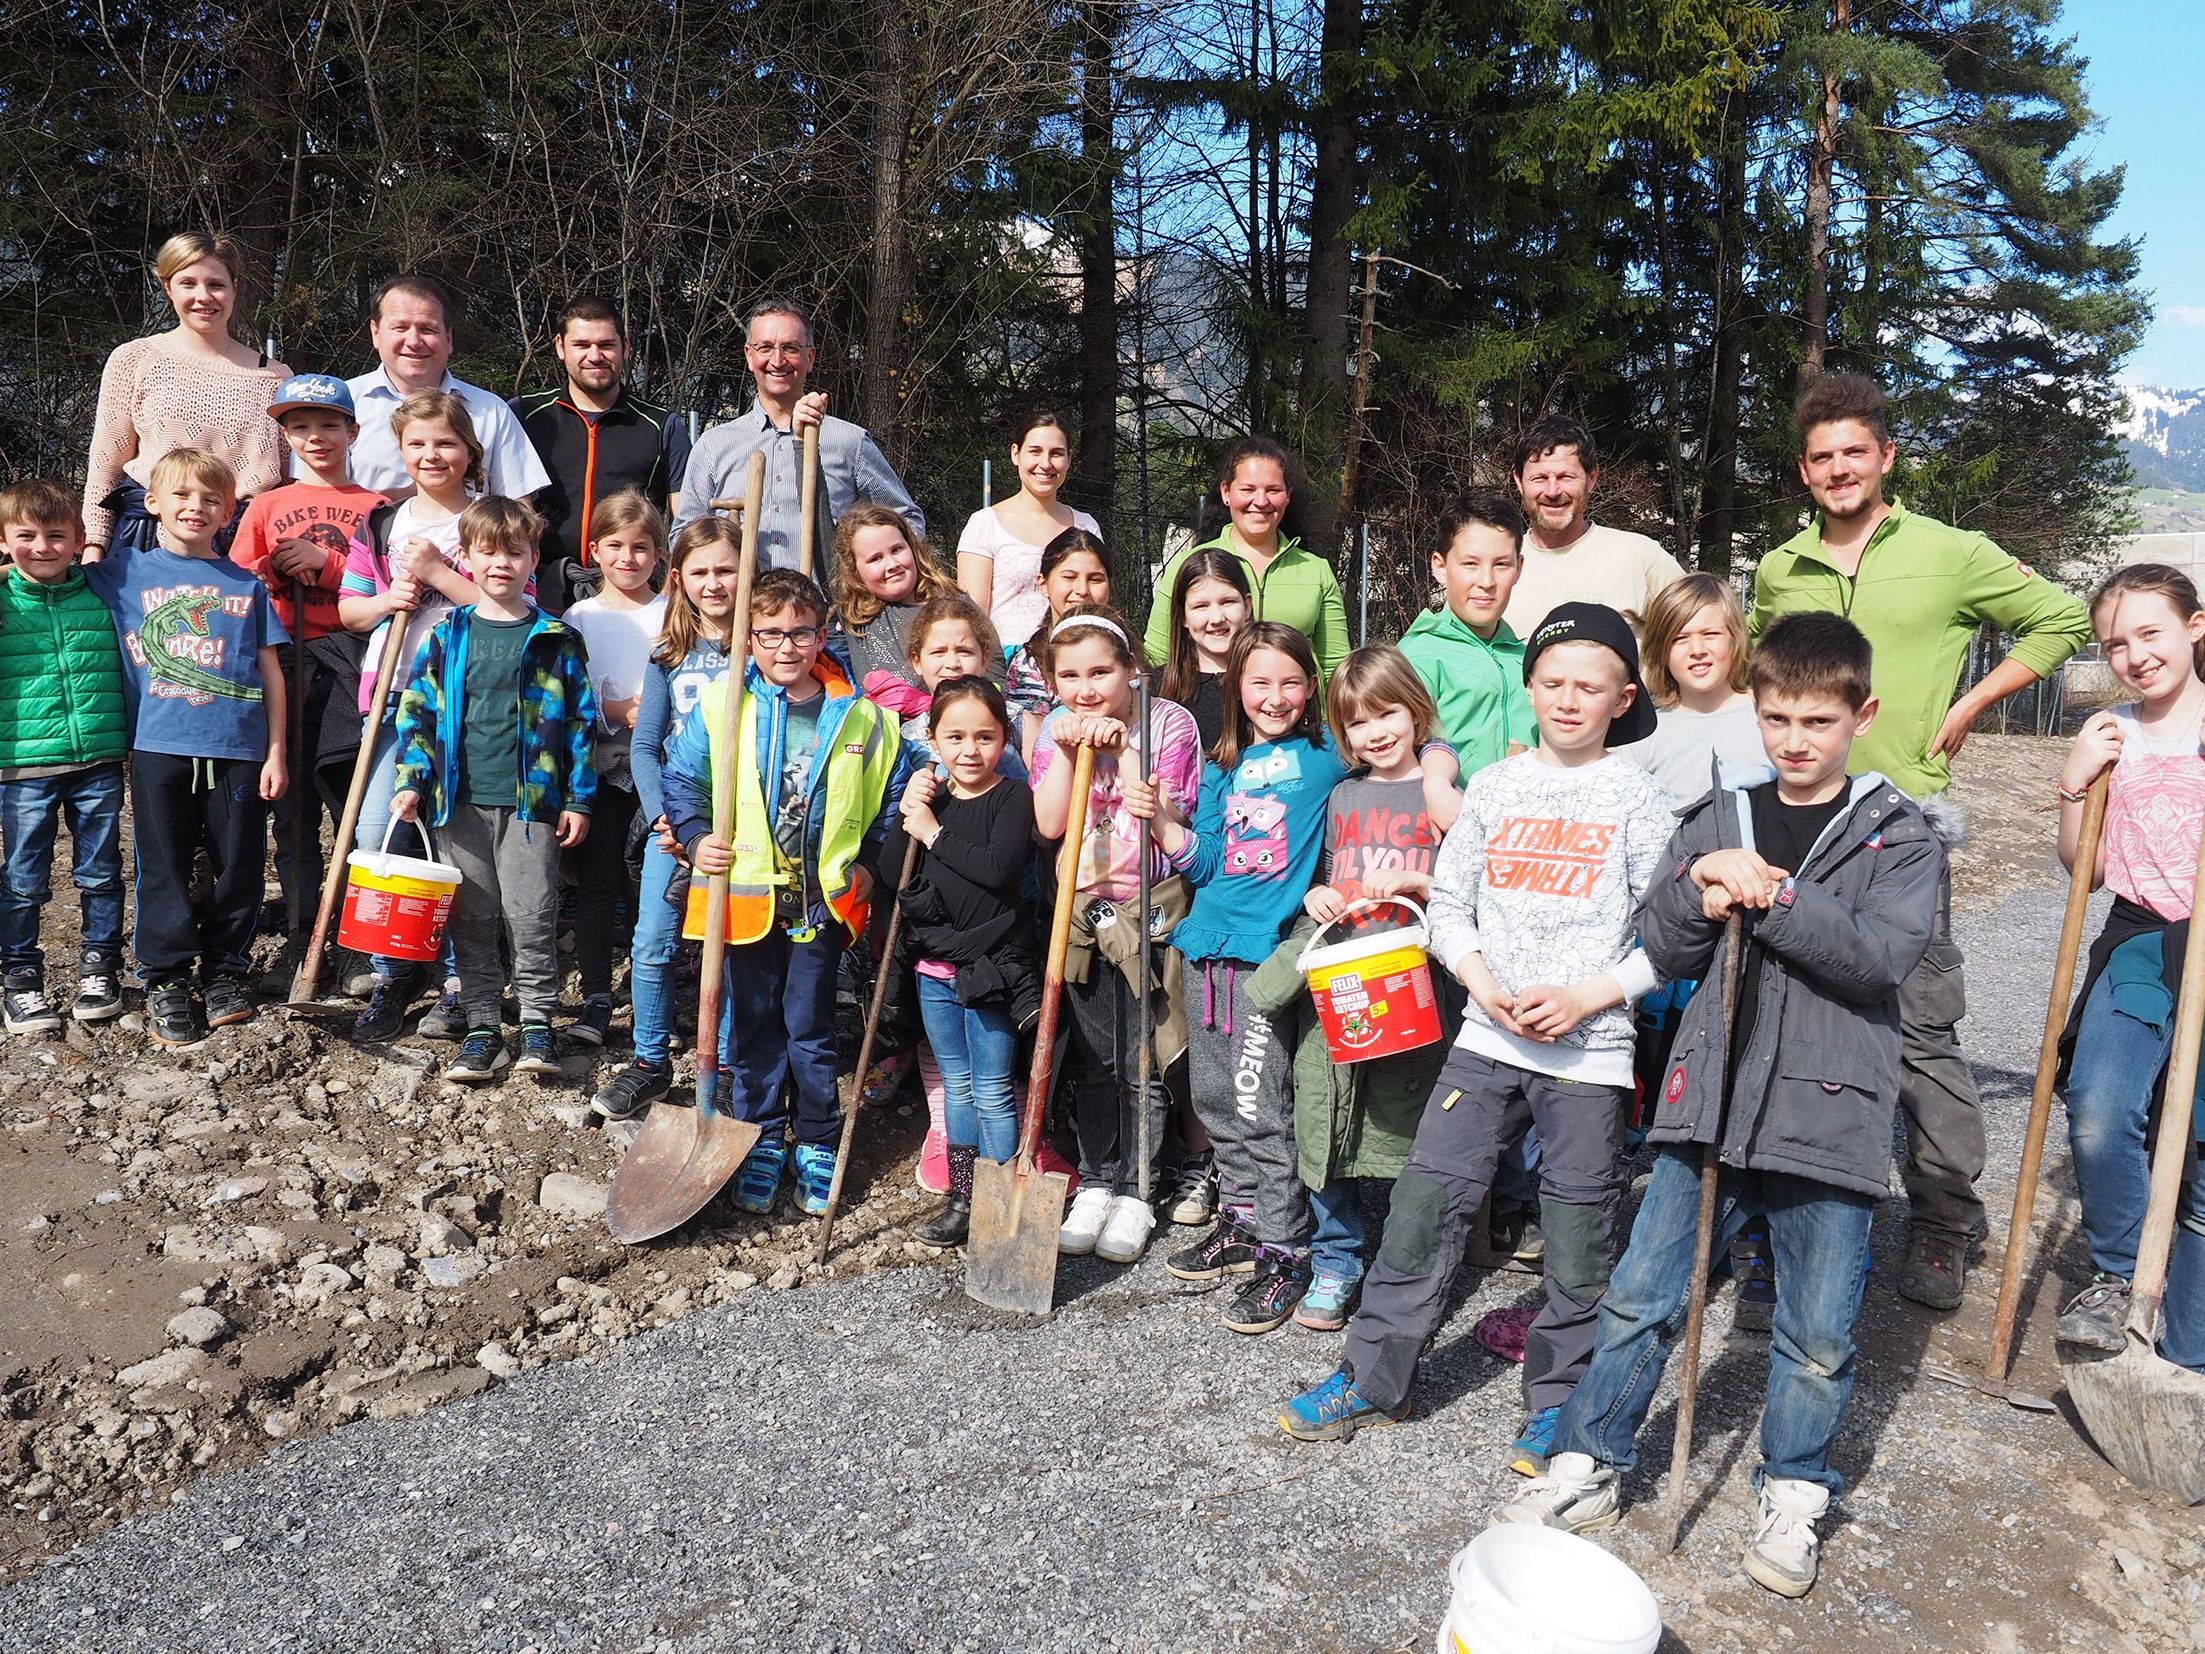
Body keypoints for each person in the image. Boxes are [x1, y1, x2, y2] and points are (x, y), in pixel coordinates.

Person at [1495, 611, 1941, 1603]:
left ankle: (1794, 1488)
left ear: (1862, 715)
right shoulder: (1721, 814)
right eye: (1777, 717)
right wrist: (1698, 885)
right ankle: (1589, 1464)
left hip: (1829, 1114)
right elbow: (1659, 942)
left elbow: (1876, 961)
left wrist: (1774, 897)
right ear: (1755, 710)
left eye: (1818, 721)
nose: (1795, 739)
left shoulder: (1898, 835)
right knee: (1641, 1296)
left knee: (1817, 1332)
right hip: (1710, 1102)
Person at [1277, 603, 1670, 1480]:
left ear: (1621, 699)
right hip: (1486, 1039)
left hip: (1589, 1051)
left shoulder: (1636, 798)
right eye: (1552, 681)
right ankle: (1372, 1378)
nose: (1567, 699)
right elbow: (1450, 903)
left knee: (1577, 1232)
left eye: (1589, 686)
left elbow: (1668, 935)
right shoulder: (1493, 787)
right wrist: (1480, 980)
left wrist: (1588, 997)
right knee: (1423, 1207)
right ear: (1528, 687)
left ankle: (1560, 1400)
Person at [1746, 371, 2092, 1309]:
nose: (1838, 470)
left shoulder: (1950, 552)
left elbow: (2061, 618)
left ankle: (1943, 1219)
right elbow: (1756, 674)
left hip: (1902, 827)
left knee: (1918, 1025)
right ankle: (1789, 1204)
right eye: (1821, 458)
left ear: (1885, 457)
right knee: (1789, 1015)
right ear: (1803, 470)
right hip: (1797, 821)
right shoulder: (1778, 569)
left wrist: (1971, 702)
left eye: (1853, 453)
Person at [660, 569, 905, 1216]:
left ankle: (818, 1140)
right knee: (754, 1027)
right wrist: (695, 835)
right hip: (746, 904)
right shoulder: (723, 706)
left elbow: (891, 798)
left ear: (822, 635)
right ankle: (762, 1135)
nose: (785, 646)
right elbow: (682, 779)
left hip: (820, 905)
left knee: (810, 1029)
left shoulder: (863, 719)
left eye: (800, 633)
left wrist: (872, 865)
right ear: (749, 639)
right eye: (769, 634)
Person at [1135, 623, 1347, 1323]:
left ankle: (1287, 1250)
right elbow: (1204, 863)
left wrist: (1434, 762)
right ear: (1237, 688)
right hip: (1206, 950)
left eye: (1290, 681)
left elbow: (1400, 742)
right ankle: (1244, 1219)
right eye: (1260, 682)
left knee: (1260, 1103)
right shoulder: (1220, 765)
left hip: (1265, 958)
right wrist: (1164, 824)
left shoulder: (1327, 754)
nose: (1275, 697)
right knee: (1215, 1097)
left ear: (1311, 686)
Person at [1252, 644, 1461, 1330]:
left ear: (1415, 711)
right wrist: (1316, 896)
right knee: (1324, 1111)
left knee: (1407, 1121)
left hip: (1415, 979)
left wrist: (1418, 880)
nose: (1374, 732)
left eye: (1386, 714)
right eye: (1356, 722)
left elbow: (1473, 879)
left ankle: (1407, 1262)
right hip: (1343, 976)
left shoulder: (1441, 789)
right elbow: (1326, 873)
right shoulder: (1343, 793)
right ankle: (1337, 1259)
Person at [2049, 564, 2205, 1369]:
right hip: (2140, 940)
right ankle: (2121, 1278)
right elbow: (2087, 870)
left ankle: (2188, 1333)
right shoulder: (2111, 732)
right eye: (2115, 644)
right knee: (2099, 1108)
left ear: (2194, 626)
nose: (2135, 655)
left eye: (2150, 632)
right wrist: (2074, 784)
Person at [390, 496, 596, 1085]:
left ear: (533, 559)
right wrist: (412, 782)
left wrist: (578, 798)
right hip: (458, 802)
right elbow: (418, 716)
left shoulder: (555, 637)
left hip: (533, 804)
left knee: (531, 914)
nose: (501, 563)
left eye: (515, 552)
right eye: (488, 551)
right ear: (467, 559)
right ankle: (482, 1025)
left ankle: (536, 1022)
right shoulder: (447, 635)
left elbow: (580, 723)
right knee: (472, 915)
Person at [87, 449, 288, 1048]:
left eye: (210, 499)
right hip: (159, 746)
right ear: (153, 503)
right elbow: (45, 573)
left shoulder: (245, 585)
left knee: (240, 863)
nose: (195, 507)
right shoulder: (122, 572)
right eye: (181, 495)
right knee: (163, 864)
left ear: (228, 512)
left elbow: (271, 672)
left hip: (240, 749)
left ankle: (226, 970)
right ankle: (167, 976)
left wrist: (277, 751)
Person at [1032, 606, 1202, 1262]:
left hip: (1147, 909)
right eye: (1069, 675)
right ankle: (1098, 1180)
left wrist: (1123, 748)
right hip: (1081, 910)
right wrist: (1067, 752)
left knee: (1142, 1056)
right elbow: (1050, 824)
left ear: (1132, 669)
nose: (1085, 688)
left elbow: (1166, 811)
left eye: (1101, 671)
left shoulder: (1168, 723)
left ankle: (1138, 1189)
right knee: (1093, 1058)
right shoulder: (1055, 727)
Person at [336, 389, 497, 1042]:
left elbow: (511, 608)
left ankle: (459, 983)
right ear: (400, 450)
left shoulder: (491, 521)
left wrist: (439, 573)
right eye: (417, 443)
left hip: (466, 700)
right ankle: (393, 972)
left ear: (469, 450)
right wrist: (387, 600)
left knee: (456, 840)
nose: (432, 455)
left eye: (445, 442)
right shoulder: (380, 524)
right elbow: (349, 610)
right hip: (393, 698)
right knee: (377, 833)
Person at [588, 518, 742, 1122]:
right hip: (675, 827)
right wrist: (663, 820)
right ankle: (650, 1061)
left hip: (742, 829)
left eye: (726, 569)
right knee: (652, 942)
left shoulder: (762, 650)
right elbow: (646, 746)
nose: (714, 583)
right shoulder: (669, 655)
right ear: (678, 578)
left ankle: (724, 1067)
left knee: (729, 947)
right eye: (701, 571)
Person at [229, 374, 386, 959]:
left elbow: (390, 587)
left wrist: (328, 562)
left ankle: (351, 944)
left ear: (353, 432)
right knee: (293, 813)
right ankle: (301, 939)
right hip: (285, 662)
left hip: (351, 662)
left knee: (351, 803)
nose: (315, 437)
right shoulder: (266, 505)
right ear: (286, 436)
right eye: (300, 427)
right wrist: (272, 569)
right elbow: (238, 586)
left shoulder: (377, 509)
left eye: (328, 425)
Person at [883, 676, 1040, 1248]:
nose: (969, 750)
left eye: (984, 737)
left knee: (993, 1087)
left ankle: (1005, 1201)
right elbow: (892, 871)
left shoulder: (1012, 797)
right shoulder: (932, 800)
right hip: (935, 970)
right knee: (956, 1085)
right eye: (955, 737)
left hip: (992, 967)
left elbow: (998, 869)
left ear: (1004, 739)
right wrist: (911, 810)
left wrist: (934, 832)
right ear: (932, 740)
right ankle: (963, 1197)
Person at [0, 482, 128, 1031]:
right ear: (4, 541)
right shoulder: (3, 602)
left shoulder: (104, 594)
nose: (42, 547)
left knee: (101, 872)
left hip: (98, 758)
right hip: (23, 766)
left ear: (79, 540)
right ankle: (20, 979)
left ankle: (100, 969)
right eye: (26, 535)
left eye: (56, 535)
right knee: (23, 877)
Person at [80, 231, 289, 558]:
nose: (203, 297)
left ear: (234, 287)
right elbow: (106, 465)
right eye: (188, 284)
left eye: (216, 285)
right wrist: (95, 544)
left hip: (243, 547)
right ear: (168, 288)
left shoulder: (275, 377)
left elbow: (290, 480)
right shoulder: (135, 358)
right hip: (145, 543)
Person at [672, 297, 924, 563]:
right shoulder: (713, 446)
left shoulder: (851, 443)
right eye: (765, 347)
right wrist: (723, 546)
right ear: (749, 356)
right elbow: (681, 540)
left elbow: (908, 523)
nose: (777, 360)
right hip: (746, 592)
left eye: (790, 348)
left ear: (810, 357)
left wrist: (865, 569)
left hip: (827, 592)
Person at [561, 490, 670, 1048]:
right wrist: (616, 709)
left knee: (651, 885)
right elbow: (568, 694)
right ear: (596, 551)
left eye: (641, 547)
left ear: (659, 554)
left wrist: (652, 715)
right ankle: (597, 995)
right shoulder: (579, 618)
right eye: (616, 546)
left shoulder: (673, 613)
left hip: (663, 772)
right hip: (600, 771)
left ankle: (655, 996)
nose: (628, 558)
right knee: (598, 882)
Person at [512, 297, 692, 614]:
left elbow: (687, 521)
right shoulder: (523, 416)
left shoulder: (662, 426)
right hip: (540, 598)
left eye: (606, 345)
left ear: (626, 347)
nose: (595, 356)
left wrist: (670, 589)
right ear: (560, 347)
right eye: (581, 345)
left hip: (632, 598)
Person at [1142, 438, 1349, 682]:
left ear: (1288, 495)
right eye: (1248, 490)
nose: (1261, 501)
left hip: (1298, 707)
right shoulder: (1188, 565)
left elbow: (1336, 669)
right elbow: (1156, 658)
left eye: (1273, 490)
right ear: (1226, 492)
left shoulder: (1316, 571)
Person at [346, 274, 551, 500]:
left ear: (448, 338)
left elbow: (518, 508)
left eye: (427, 329)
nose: (414, 341)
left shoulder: (492, 411)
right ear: (376, 333)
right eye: (400, 328)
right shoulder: (343, 405)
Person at [1500, 415, 1685, 639]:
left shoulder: (1638, 557)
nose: (1552, 491)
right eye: (1539, 478)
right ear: (1519, 482)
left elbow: (1703, 630)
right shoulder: (1496, 568)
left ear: (1591, 478)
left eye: (1566, 477)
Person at [1398, 489, 1536, 773]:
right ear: (1440, 567)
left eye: (1501, 564)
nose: (1486, 581)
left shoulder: (1531, 659)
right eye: (1470, 564)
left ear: (1519, 568)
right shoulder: (1416, 658)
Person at [954, 412, 1101, 650]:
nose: (1045, 463)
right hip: (1002, 661)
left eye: (1056, 453)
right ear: (1016, 454)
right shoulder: (984, 525)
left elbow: (1096, 604)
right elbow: (972, 617)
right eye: (1035, 451)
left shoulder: (1086, 526)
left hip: (1073, 658)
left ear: (1069, 459)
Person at [1613, 572, 1761, 805]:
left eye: (1710, 634)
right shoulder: (1644, 733)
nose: (1697, 650)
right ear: (1661, 649)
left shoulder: (1771, 718)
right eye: (1679, 638)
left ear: (1735, 638)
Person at [1004, 528, 1112, 766]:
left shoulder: (1126, 654)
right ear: (1043, 584)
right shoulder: (1029, 664)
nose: (1082, 590)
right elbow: (1032, 747)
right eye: (1069, 577)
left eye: (1095, 579)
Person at [829, 504, 959, 694]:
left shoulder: (956, 607)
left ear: (912, 548)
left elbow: (993, 671)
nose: (892, 564)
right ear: (853, 570)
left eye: (897, 549)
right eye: (876, 559)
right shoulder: (853, 618)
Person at [1155, 547, 1253, 754]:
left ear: (1247, 606)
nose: (1216, 618)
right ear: (1183, 616)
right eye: (1201, 606)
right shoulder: (1155, 690)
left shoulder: (1270, 684)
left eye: (1227, 602)